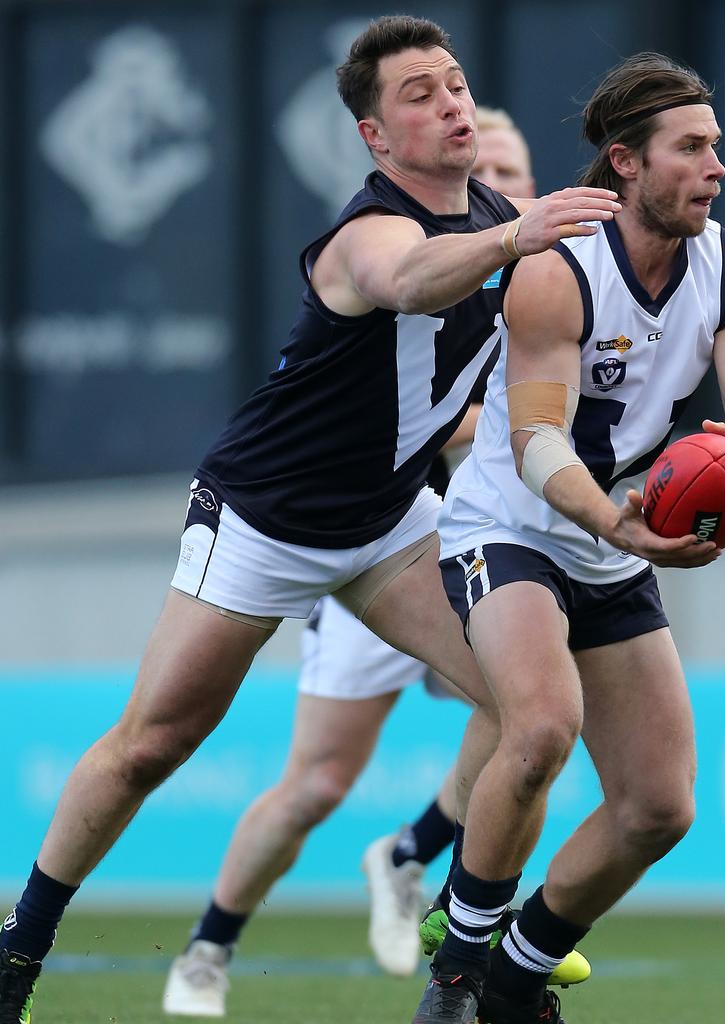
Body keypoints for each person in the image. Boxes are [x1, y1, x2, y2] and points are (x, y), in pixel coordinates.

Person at [0, 16, 622, 1021]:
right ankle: (18, 949)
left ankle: (462, 942)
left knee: (533, 717)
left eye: (456, 83)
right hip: (263, 521)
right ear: (376, 137)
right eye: (418, 93)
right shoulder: (369, 232)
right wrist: (517, 233)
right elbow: (408, 279)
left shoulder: (506, 218)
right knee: (150, 746)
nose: (450, 102)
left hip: (389, 526)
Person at [159, 108, 542, 1017]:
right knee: (318, 783)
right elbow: (426, 417)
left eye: (518, 171)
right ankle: (208, 948)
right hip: (382, 536)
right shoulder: (421, 254)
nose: (505, 186)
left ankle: (426, 867)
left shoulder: (546, 274)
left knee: (532, 710)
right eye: (492, 168)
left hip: (477, 552)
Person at [411, 51, 725, 1024]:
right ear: (625, 161)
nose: (715, 166)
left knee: (661, 806)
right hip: (514, 523)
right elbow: (532, 443)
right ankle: (453, 974)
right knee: (540, 725)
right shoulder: (555, 272)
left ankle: (518, 981)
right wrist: (620, 520)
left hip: (615, 542)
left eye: (717, 147)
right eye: (690, 148)